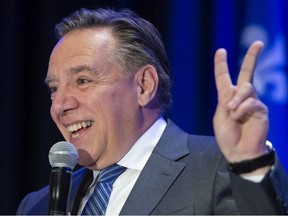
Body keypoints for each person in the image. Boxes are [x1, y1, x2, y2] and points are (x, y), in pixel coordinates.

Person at [17, 8, 288, 215]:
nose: (60, 105)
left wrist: (249, 166)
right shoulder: (36, 205)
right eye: (54, 89)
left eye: (83, 81)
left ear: (144, 85)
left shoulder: (219, 167)